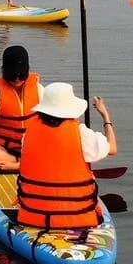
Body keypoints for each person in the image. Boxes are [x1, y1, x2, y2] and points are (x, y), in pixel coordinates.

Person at [14, 82, 117, 230]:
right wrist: (105, 116)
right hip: (77, 219)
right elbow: (112, 148)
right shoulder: (82, 134)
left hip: (33, 217)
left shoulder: (28, 133)